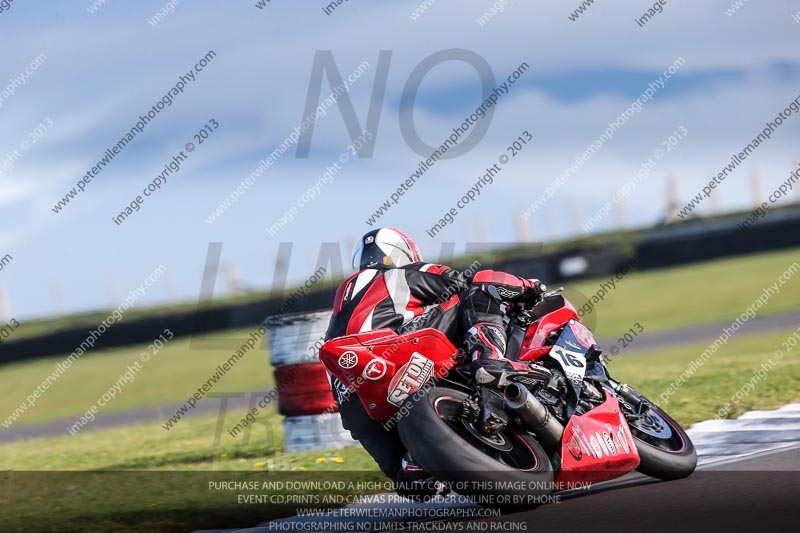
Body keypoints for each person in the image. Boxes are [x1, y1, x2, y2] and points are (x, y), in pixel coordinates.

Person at [324, 227, 545, 493]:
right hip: (397, 351)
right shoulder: (399, 274)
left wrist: (395, 470)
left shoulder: (338, 313)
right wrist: (527, 286)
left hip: (353, 394)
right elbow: (469, 279)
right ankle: (490, 361)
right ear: (402, 252)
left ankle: (409, 469)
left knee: (401, 472)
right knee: (477, 290)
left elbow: (356, 423)